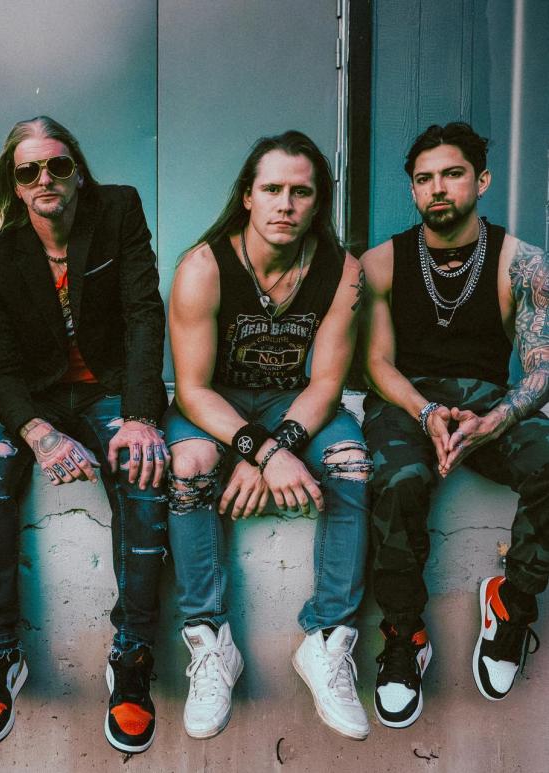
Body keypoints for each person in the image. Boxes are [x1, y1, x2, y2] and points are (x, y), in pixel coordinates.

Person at [0, 116, 169, 754]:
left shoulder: (118, 210)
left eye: (57, 165)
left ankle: (132, 656)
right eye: (29, 171)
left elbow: (143, 311)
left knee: (143, 473)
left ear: (78, 170)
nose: (45, 178)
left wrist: (140, 414)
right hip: (34, 397)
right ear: (15, 185)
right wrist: (38, 433)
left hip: (111, 388)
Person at [165, 131, 373, 741]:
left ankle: (327, 640)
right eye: (272, 189)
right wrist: (260, 451)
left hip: (293, 402)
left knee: (351, 461)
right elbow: (192, 389)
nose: (285, 204)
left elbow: (327, 384)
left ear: (318, 201)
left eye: (300, 192)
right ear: (248, 196)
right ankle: (209, 640)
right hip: (215, 404)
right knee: (190, 466)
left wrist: (273, 450)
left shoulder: (343, 272)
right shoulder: (203, 267)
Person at [361, 121, 548, 728]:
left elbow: (543, 367)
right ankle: (404, 635)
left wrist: (495, 420)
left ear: (482, 181)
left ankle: (512, 604)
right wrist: (423, 412)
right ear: (412, 190)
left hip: (489, 403)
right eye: (424, 179)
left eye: (452, 174)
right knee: (398, 482)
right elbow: (377, 363)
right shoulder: (381, 263)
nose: (437, 188)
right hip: (405, 402)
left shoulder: (523, 262)